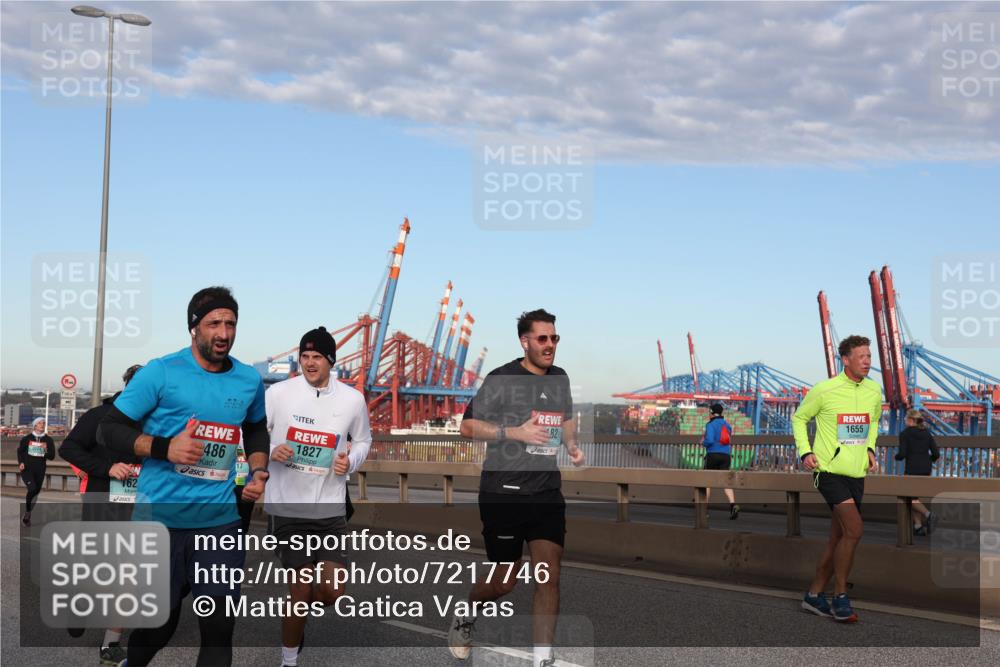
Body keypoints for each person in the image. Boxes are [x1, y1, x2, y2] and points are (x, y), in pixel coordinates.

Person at [99, 286, 270, 667]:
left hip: (219, 523)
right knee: (161, 625)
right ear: (194, 328)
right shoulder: (161, 372)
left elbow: (256, 428)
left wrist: (259, 469)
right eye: (213, 324)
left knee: (219, 628)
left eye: (230, 323)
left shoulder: (247, 379)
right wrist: (165, 448)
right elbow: (109, 430)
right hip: (160, 522)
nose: (223, 333)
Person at [449, 309, 585, 667]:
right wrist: (515, 432)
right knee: (503, 583)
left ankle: (543, 659)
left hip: (546, 493)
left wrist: (571, 446)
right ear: (525, 341)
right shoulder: (502, 378)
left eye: (554, 338)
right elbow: (467, 427)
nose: (550, 345)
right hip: (503, 493)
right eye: (542, 338)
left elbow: (566, 419)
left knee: (550, 576)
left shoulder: (560, 378)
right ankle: (467, 609)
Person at [264, 326, 372, 667]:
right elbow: (248, 434)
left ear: (331, 361)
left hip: (330, 508)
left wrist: (350, 460)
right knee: (299, 589)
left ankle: (298, 622)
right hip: (287, 507)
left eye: (317, 357)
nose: (310, 363)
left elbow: (365, 440)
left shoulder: (352, 399)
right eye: (305, 356)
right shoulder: (278, 394)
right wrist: (271, 450)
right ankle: (289, 660)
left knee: (331, 592)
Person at [59, 364, 144, 665]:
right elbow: (68, 448)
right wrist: (106, 469)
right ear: (130, 388)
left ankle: (111, 643)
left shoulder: (159, 421)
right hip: (102, 503)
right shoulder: (99, 416)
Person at [794, 335, 881, 623]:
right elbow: (799, 417)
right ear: (846, 360)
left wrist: (870, 447)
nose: (868, 361)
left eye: (869, 356)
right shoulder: (825, 389)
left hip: (856, 474)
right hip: (827, 472)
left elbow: (874, 422)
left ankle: (813, 595)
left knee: (838, 538)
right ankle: (840, 596)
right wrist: (805, 452)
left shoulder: (873, 390)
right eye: (862, 356)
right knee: (854, 530)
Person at [895, 408, 940, 535]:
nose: (904, 420)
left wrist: (896, 457)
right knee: (914, 496)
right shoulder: (927, 433)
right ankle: (918, 526)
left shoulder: (905, 434)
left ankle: (929, 515)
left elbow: (902, 454)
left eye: (905, 418)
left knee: (908, 497)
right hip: (926, 469)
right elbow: (936, 453)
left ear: (911, 420)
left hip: (912, 468)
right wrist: (928, 460)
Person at [702, 403, 739, 520]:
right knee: (726, 482)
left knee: (707, 483)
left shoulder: (710, 424)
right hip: (726, 455)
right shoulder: (727, 425)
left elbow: (710, 440)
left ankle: (704, 510)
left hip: (713, 455)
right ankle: (733, 505)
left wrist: (703, 442)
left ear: (712, 412)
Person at [18, 417, 55, 526]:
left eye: (43, 423)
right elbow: (20, 452)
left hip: (40, 469)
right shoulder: (27, 439)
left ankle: (28, 513)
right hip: (27, 469)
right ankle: (28, 513)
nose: (42, 425)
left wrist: (43, 452)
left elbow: (52, 456)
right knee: (32, 488)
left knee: (35, 493)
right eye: (39, 423)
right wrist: (21, 462)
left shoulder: (48, 440)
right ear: (35, 425)